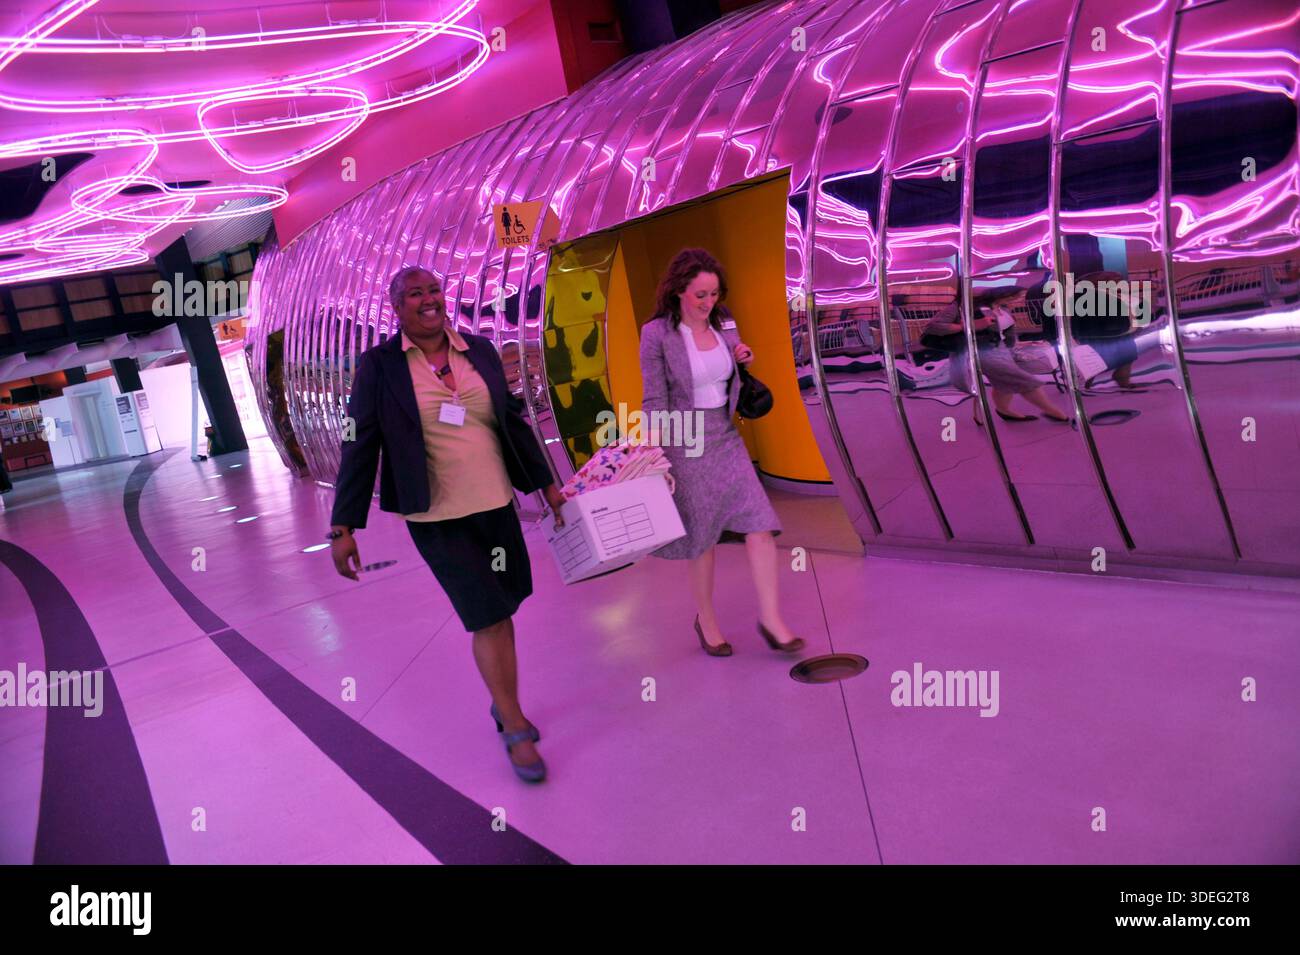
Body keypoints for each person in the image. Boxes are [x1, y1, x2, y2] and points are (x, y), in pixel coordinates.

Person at [328, 266, 567, 783]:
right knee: (484, 615)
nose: (429, 300)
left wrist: (547, 484)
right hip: (436, 516)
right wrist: (343, 525)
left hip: (495, 504)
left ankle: (502, 702)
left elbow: (511, 421)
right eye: (416, 294)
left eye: (434, 290)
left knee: (506, 606)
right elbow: (358, 440)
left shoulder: (477, 351)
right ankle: (513, 721)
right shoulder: (381, 366)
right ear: (397, 307)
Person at [638, 247, 805, 658]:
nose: (708, 303)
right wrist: (655, 456)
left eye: (714, 294)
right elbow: (655, 398)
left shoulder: (724, 324)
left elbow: (728, 370)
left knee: (759, 523)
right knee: (703, 538)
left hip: (725, 434)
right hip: (685, 439)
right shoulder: (656, 334)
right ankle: (707, 620)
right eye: (700, 295)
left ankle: (772, 620)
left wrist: (741, 357)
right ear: (678, 290)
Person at [924, 294, 1069, 422]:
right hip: (981, 351)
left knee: (1004, 381)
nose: (1015, 298)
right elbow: (933, 327)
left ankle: (1004, 410)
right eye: (1013, 295)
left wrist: (1011, 344)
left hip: (1001, 349)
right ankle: (1053, 412)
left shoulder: (1003, 308)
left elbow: (1005, 332)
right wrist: (969, 325)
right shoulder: (962, 305)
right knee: (1024, 380)